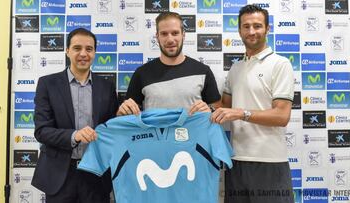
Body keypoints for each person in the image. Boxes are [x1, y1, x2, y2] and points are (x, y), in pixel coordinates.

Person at [211, 4, 294, 203]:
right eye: (246, 26)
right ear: (239, 30)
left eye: (257, 26)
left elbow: (282, 116)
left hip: (270, 163)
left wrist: (242, 113)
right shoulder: (236, 68)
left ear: (267, 28)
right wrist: (203, 106)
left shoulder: (280, 64)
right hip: (237, 162)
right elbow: (224, 107)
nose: (251, 31)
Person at [31, 28, 118, 203]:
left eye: (89, 49)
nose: (83, 54)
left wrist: (123, 115)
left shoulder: (107, 87)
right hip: (59, 176)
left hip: (96, 174)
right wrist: (74, 135)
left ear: (94, 53)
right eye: (77, 48)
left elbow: (112, 130)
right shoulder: (47, 84)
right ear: (67, 50)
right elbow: (42, 131)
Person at [116, 12, 221, 116]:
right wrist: (122, 112)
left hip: (194, 133)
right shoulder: (142, 73)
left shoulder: (203, 71)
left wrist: (210, 110)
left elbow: (217, 109)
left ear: (183, 35)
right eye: (164, 34)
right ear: (157, 37)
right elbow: (127, 115)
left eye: (175, 33)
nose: (170, 40)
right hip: (155, 133)